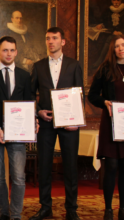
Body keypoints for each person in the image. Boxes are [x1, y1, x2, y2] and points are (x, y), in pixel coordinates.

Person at [30, 27, 84, 220]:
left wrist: (77, 121)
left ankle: (71, 209)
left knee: (70, 166)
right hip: (46, 123)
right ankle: (45, 207)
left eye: (55, 38)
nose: (51, 41)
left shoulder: (74, 65)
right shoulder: (38, 66)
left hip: (69, 124)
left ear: (63, 42)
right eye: (47, 38)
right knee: (44, 166)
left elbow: (80, 94)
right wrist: (38, 112)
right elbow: (30, 95)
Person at [0, 36, 32, 220]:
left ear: (16, 52)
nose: (9, 53)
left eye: (12, 50)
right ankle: (4, 213)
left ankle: (16, 215)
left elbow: (29, 102)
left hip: (19, 132)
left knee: (19, 177)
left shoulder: (24, 75)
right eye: (5, 50)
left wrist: (32, 121)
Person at [88, 34, 124, 220]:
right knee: (111, 165)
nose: (121, 48)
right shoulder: (106, 69)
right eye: (117, 46)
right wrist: (105, 102)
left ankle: (123, 209)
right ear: (112, 49)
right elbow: (92, 95)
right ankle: (109, 208)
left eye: (123, 45)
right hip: (111, 124)